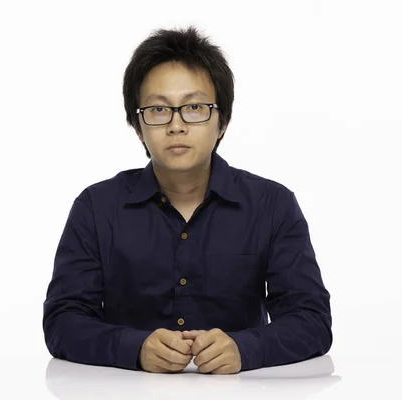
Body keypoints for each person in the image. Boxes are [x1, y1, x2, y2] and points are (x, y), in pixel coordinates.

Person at [42, 26, 332, 374]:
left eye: (194, 107)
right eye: (158, 110)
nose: (176, 125)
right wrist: (136, 348)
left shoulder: (272, 205)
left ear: (221, 121)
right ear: (138, 127)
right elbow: (63, 321)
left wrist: (246, 348)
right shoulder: (96, 208)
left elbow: (312, 320)